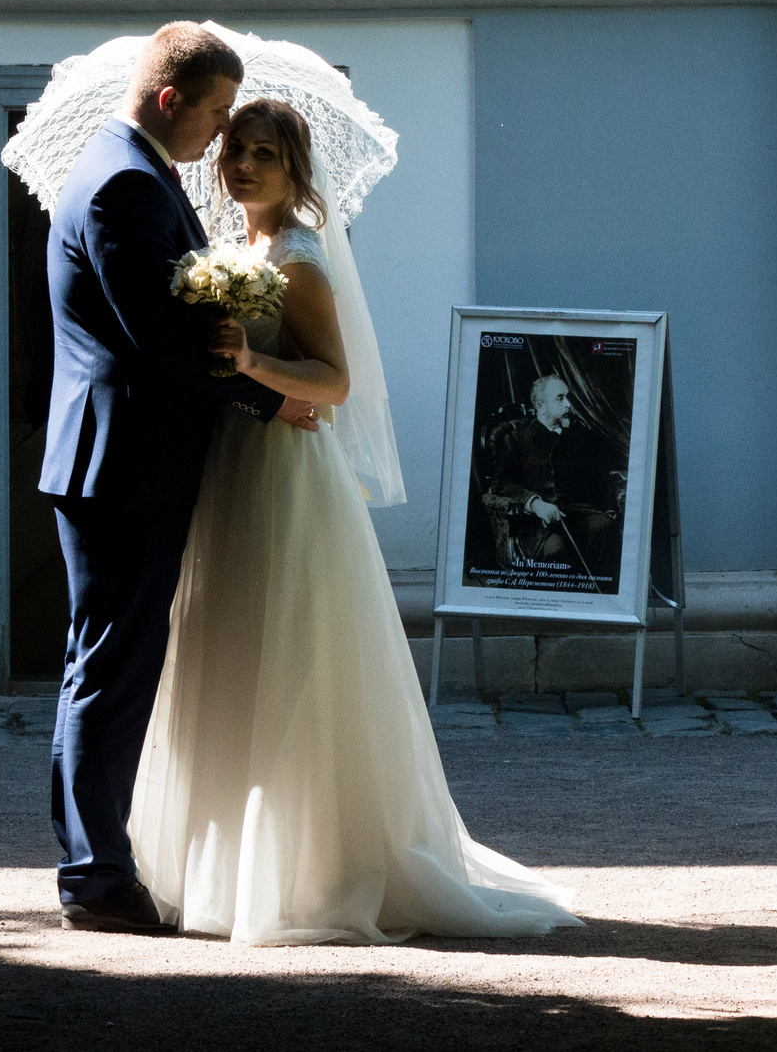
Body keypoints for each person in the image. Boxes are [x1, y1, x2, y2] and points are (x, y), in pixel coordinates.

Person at [127, 97, 581, 944]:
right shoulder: (230, 250)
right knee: (227, 651)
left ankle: (316, 867)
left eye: (264, 153)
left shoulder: (298, 257)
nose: (244, 166)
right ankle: (223, 866)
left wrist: (253, 360)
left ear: (297, 169)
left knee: (294, 651)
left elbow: (334, 382)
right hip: (231, 464)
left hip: (287, 473)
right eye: (234, 150)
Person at [40, 23, 324, 936]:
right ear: (172, 101)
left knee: (110, 661)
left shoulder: (125, 165)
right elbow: (157, 337)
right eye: (212, 114)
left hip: (122, 460)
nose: (217, 135)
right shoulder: (126, 181)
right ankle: (94, 875)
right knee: (113, 668)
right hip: (121, 462)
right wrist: (266, 399)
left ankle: (97, 860)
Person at [477, 373, 627, 585]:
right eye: (560, 398)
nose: (568, 404)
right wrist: (535, 504)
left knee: (605, 528)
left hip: (577, 513)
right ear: (541, 405)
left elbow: (599, 477)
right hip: (535, 523)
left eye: (568, 398)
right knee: (558, 549)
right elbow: (500, 484)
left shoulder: (579, 436)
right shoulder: (516, 439)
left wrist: (609, 507)